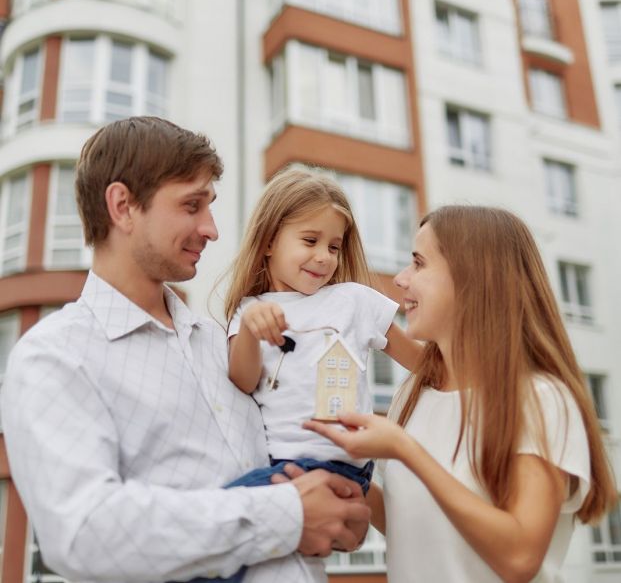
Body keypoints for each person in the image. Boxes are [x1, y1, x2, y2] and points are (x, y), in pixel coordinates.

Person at [1, 117, 371, 583]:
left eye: (210, 207)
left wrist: (340, 509)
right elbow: (85, 533)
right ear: (123, 206)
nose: (212, 229)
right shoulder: (54, 357)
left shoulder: (225, 344)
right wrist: (290, 515)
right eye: (191, 206)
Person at [306, 205, 618, 583]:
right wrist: (332, 468)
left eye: (419, 264)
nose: (401, 280)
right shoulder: (413, 394)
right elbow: (411, 525)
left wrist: (405, 449)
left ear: (473, 278)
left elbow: (519, 559)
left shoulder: (539, 399)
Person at [195, 167, 421, 583]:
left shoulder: (354, 301)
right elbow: (243, 381)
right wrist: (248, 330)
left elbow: (421, 362)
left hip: (338, 464)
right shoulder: (250, 310)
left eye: (334, 246)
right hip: (283, 467)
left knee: (211, 529)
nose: (324, 257)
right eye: (310, 241)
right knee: (223, 545)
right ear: (267, 243)